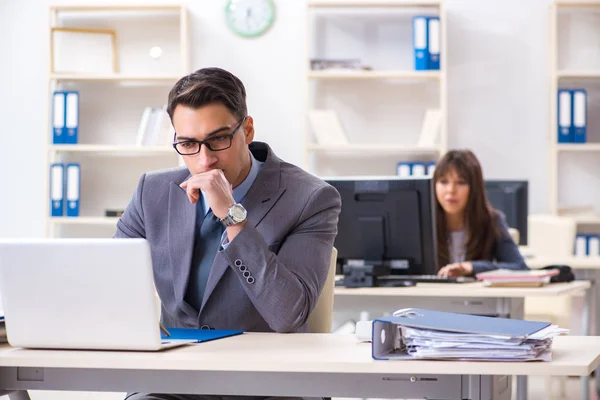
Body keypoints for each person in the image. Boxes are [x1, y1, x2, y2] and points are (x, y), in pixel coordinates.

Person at [115, 67, 341, 400]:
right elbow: (110, 281)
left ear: (247, 130)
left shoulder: (310, 198)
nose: (205, 160)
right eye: (188, 143)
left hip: (273, 384)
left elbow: (288, 315)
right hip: (177, 382)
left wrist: (231, 215)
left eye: (218, 139)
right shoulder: (153, 191)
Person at [434, 149, 528, 278]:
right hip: (430, 296)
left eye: (461, 182)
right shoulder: (422, 223)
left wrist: (471, 267)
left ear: (474, 188)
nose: (451, 190)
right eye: (443, 181)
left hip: (475, 297)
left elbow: (520, 267)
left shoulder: (492, 221)